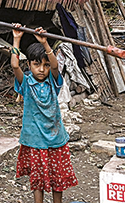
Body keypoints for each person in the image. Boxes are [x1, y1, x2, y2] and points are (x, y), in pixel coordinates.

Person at [10, 24, 77, 203]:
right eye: (36, 64)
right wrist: (17, 38)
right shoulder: (25, 83)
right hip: (35, 139)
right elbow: (15, 65)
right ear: (30, 64)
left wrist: (46, 44)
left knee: (57, 179)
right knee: (37, 180)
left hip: (55, 138)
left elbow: (55, 65)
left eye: (45, 65)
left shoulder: (52, 82)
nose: (42, 69)